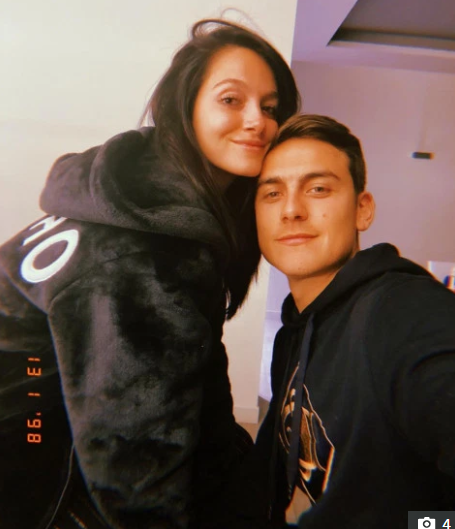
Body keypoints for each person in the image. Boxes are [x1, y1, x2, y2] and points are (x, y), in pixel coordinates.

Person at [0, 19, 300, 529]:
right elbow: (135, 472)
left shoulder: (139, 204)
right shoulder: (146, 249)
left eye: (271, 108)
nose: (258, 121)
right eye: (231, 99)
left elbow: (195, 385)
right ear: (183, 107)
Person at [251, 114, 455, 528]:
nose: (291, 210)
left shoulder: (402, 310)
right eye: (272, 193)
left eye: (318, 189)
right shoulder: (294, 331)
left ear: (363, 210)